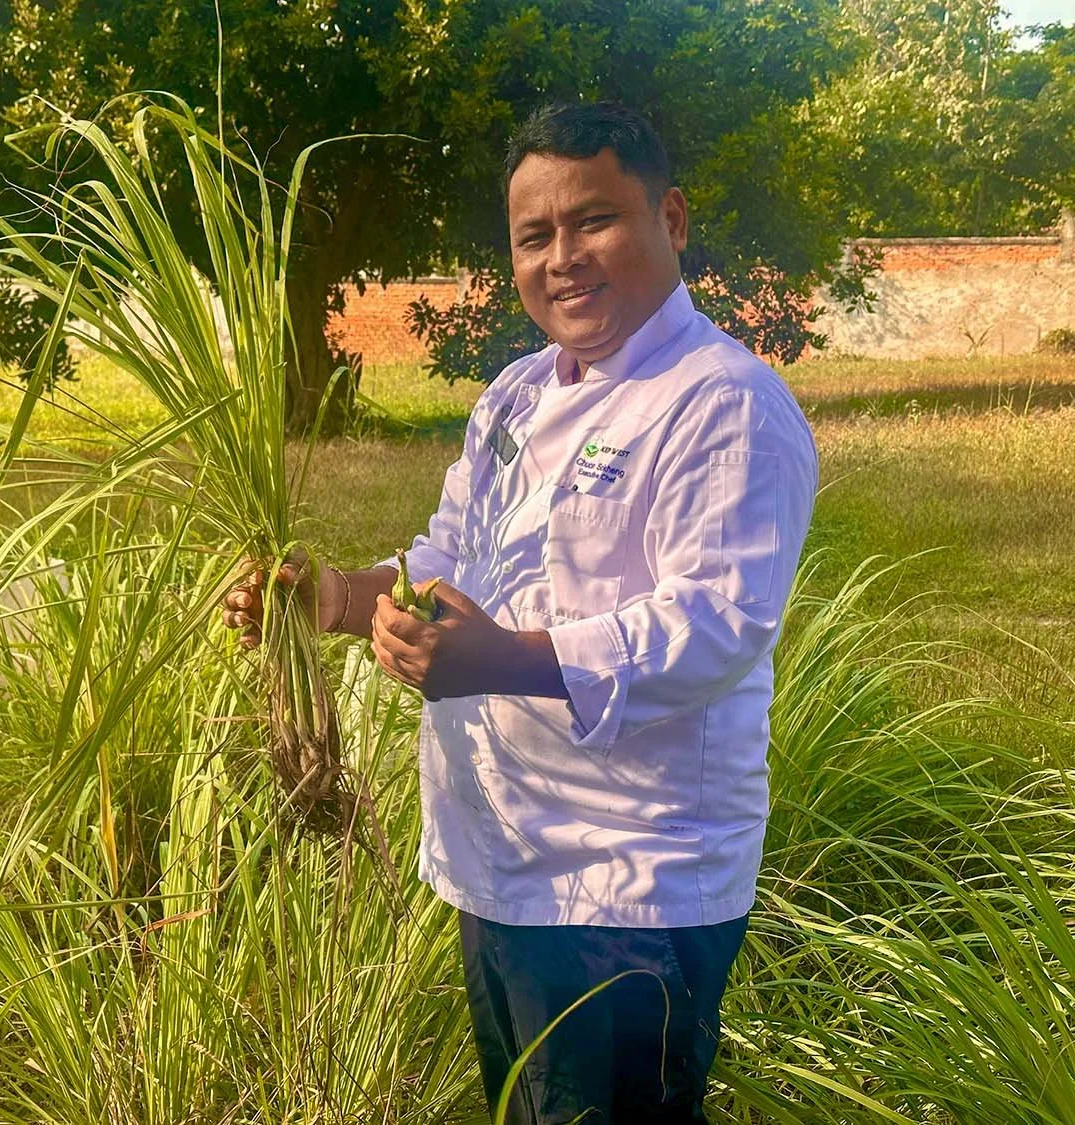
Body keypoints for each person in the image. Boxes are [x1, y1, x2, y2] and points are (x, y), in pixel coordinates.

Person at [221, 101, 817, 1123]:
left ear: (670, 218)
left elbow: (714, 628)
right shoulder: (514, 396)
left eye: (593, 222)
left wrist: (499, 662)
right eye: (534, 237)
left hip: (629, 887)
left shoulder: (722, 403)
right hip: (500, 863)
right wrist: (327, 598)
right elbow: (448, 555)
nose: (562, 259)